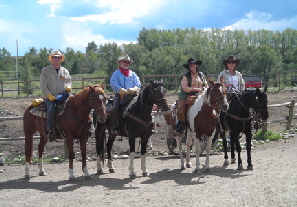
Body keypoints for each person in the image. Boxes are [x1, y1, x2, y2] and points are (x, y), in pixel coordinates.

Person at [40, 51, 72, 141]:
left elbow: (69, 81)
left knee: (75, 106)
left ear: (61, 59)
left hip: (63, 96)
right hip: (51, 97)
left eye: (58, 57)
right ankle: (50, 130)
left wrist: (68, 87)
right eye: (55, 57)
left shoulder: (65, 71)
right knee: (51, 109)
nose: (56, 59)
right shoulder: (45, 70)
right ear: (52, 59)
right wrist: (48, 95)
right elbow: (43, 85)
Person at [174, 58, 208, 135]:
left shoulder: (201, 75)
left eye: (193, 65)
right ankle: (180, 125)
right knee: (181, 109)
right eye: (190, 65)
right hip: (187, 95)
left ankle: (216, 122)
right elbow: (185, 88)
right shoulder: (185, 76)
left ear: (197, 65)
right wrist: (195, 89)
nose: (192, 66)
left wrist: (204, 89)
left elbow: (206, 84)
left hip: (201, 94)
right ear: (189, 67)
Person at [109, 54, 141, 136]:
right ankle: (115, 127)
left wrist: (134, 89)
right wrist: (121, 90)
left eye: (128, 62)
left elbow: (138, 83)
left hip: (133, 95)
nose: (126, 64)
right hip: (120, 95)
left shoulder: (133, 74)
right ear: (120, 62)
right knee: (116, 107)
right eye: (124, 62)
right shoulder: (116, 73)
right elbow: (113, 83)